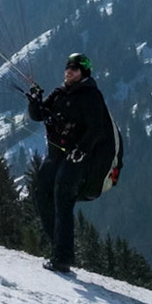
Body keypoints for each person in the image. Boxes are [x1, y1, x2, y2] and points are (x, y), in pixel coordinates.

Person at [26, 52, 113, 274]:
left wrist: (81, 150)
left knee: (62, 198)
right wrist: (34, 101)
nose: (69, 72)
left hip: (77, 159)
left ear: (83, 73)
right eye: (67, 68)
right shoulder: (60, 93)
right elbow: (39, 115)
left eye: (74, 69)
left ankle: (63, 258)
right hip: (56, 154)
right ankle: (58, 247)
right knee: (41, 194)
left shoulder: (91, 96)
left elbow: (97, 128)